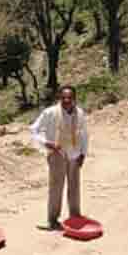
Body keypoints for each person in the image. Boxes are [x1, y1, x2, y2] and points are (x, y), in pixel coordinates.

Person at [29, 85, 89, 231]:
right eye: (64, 98)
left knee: (74, 187)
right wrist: (46, 143)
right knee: (56, 187)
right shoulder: (50, 112)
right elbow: (34, 129)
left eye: (70, 98)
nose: (67, 100)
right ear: (59, 98)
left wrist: (83, 153)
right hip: (57, 154)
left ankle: (75, 217)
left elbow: (84, 134)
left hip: (74, 154)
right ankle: (52, 220)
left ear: (74, 99)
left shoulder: (79, 113)